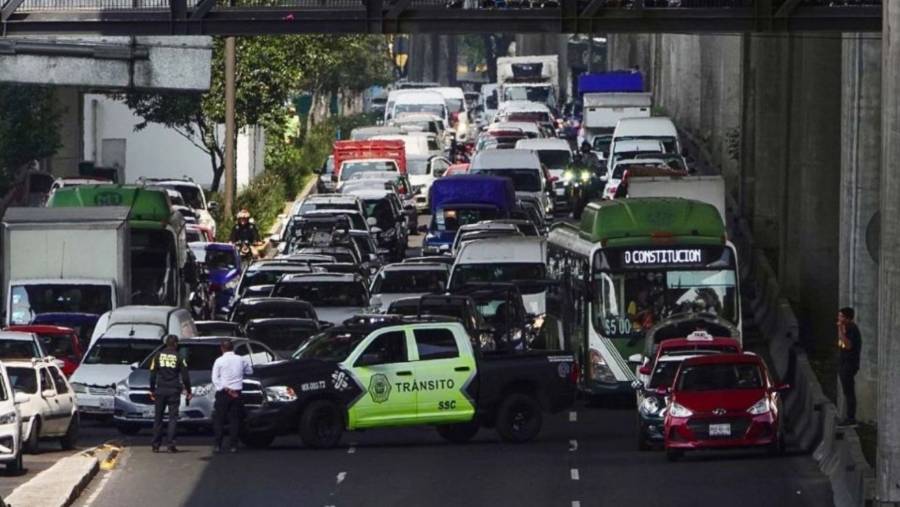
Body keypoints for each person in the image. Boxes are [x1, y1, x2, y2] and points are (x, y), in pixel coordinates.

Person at [148, 335, 192, 453]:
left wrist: (152, 389)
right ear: (176, 344)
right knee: (173, 418)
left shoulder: (157, 355)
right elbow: (185, 376)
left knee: (158, 417)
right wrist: (189, 391)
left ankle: (155, 445)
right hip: (173, 390)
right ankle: (170, 444)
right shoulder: (179, 357)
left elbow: (152, 374)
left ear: (166, 343)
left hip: (160, 389)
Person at [211, 339, 252, 453]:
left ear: (222, 348)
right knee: (235, 420)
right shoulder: (241, 359)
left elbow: (215, 378)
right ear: (232, 348)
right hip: (236, 393)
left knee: (219, 420)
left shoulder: (219, 360)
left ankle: (217, 445)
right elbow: (250, 371)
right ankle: (233, 445)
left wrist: (224, 387)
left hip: (224, 392)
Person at [837, 307, 862, 426]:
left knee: (849, 391)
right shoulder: (845, 328)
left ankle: (851, 418)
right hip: (844, 363)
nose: (839, 318)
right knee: (847, 391)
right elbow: (841, 343)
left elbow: (848, 345)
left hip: (850, 364)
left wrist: (840, 330)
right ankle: (848, 416)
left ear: (847, 318)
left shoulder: (852, 329)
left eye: (841, 316)